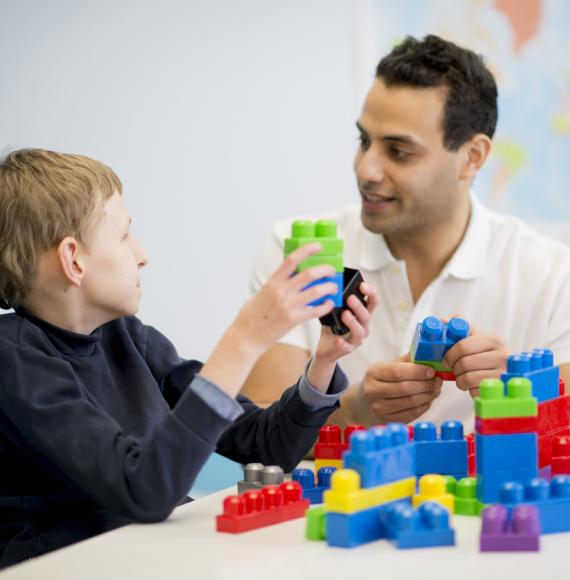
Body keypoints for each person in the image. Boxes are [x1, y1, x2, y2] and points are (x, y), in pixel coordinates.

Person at [0, 149, 378, 567]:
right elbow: (142, 490)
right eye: (124, 236)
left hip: (150, 557)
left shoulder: (128, 339)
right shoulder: (12, 360)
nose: (142, 254)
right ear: (73, 260)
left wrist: (323, 363)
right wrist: (245, 338)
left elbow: (264, 448)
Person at [242, 35, 570, 432]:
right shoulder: (298, 251)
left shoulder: (553, 276)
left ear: (472, 157)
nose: (366, 170)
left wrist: (518, 391)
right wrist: (353, 409)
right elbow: (257, 428)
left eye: (398, 151)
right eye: (364, 140)